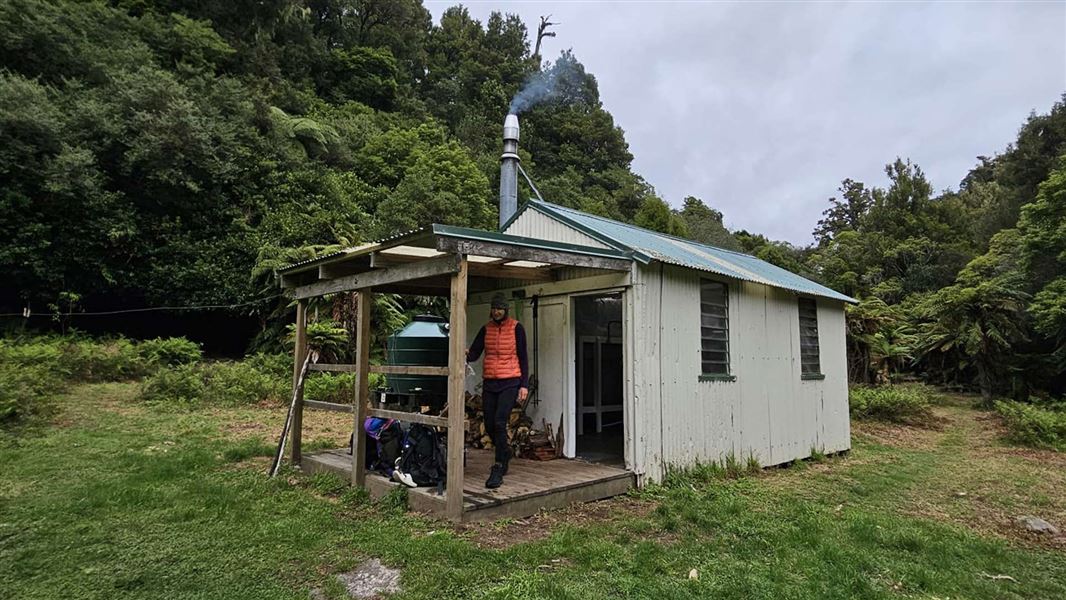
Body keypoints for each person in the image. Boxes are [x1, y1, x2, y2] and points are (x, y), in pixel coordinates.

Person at [466, 293, 529, 489]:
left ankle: (499, 465)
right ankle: (506, 451)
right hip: (490, 382)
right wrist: (465, 353)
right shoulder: (486, 329)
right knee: (490, 423)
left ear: (506, 310)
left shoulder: (517, 328)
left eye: (500, 309)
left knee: (501, 422)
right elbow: (475, 353)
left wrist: (524, 385)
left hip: (510, 381)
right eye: (494, 308)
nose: (496, 312)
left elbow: (523, 356)